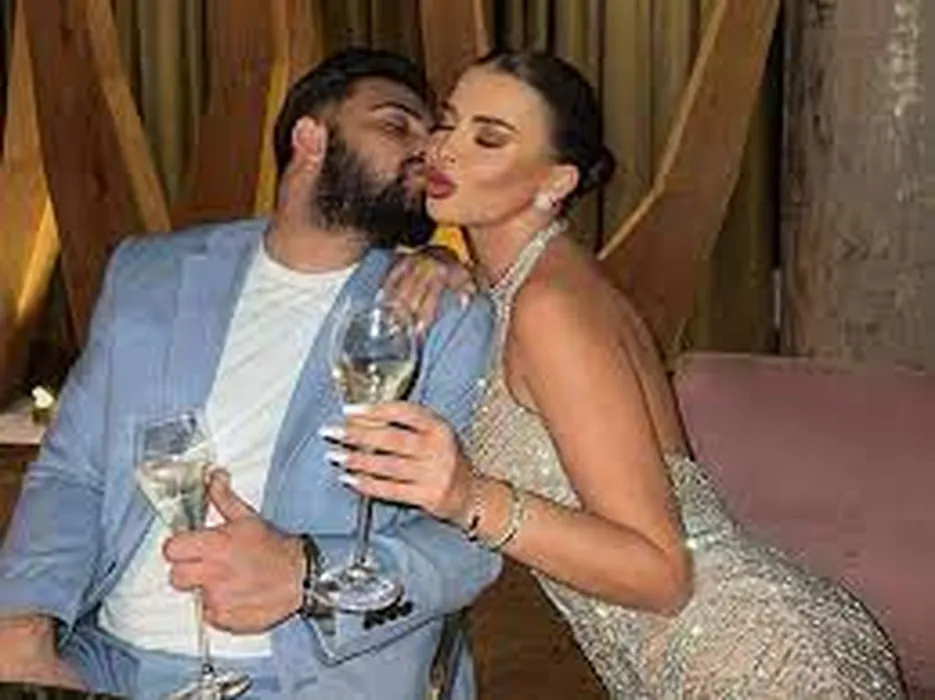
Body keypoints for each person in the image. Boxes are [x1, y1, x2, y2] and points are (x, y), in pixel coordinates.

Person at [329, 51, 907, 698]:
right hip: (700, 653)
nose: (445, 150)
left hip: (759, 663)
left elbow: (662, 575)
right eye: (447, 122)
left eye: (487, 138)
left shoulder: (552, 308)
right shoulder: (528, 282)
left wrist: (468, 498)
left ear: (555, 182)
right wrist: (441, 259)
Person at [0, 48, 499, 699]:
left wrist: (305, 574)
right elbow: (73, 472)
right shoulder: (150, 274)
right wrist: (23, 630)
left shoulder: (440, 312)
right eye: (395, 124)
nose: (425, 150)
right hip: (108, 662)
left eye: (429, 135)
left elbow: (470, 546)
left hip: (305, 678)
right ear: (309, 138)